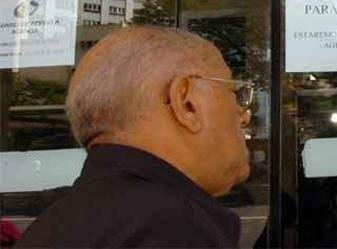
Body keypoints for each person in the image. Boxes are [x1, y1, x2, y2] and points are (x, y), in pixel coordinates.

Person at [16, 26, 254, 248]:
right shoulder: (171, 228)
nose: (243, 116)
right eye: (236, 94)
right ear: (186, 103)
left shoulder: (60, 221)